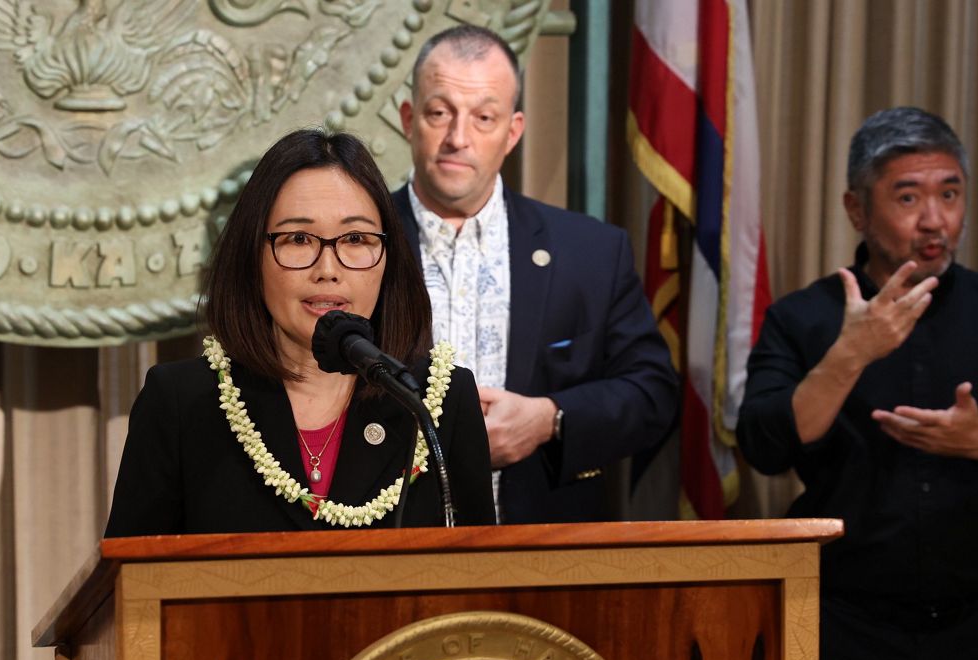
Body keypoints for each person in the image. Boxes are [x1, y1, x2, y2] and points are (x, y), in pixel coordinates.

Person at [737, 106, 978, 660]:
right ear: (857, 209)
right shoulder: (803, 317)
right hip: (842, 627)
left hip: (975, 630)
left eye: (950, 194)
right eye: (907, 197)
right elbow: (765, 445)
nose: (934, 219)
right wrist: (848, 355)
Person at [104, 128, 495, 536]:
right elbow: (131, 588)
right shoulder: (182, 403)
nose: (327, 269)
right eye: (298, 239)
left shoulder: (435, 401)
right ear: (252, 257)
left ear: (387, 259)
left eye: (356, 238)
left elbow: (479, 583)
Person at [394, 25, 678, 524]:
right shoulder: (355, 243)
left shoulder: (590, 252)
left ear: (513, 131)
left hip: (543, 549)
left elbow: (653, 392)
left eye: (484, 117)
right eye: (440, 113)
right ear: (409, 119)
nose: (458, 138)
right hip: (383, 546)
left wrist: (550, 418)